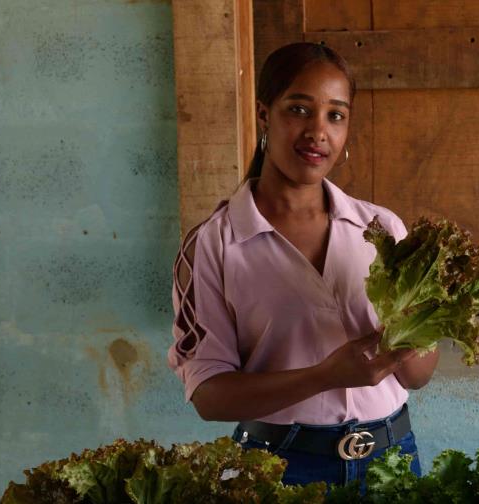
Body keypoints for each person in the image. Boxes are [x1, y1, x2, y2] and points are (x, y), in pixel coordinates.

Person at [167, 42, 439, 489]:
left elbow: (419, 375)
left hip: (392, 461)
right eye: (298, 109)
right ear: (263, 115)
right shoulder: (214, 243)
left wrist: (407, 337)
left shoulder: (382, 229)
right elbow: (210, 396)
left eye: (336, 115)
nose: (318, 132)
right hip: (278, 469)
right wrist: (325, 376)